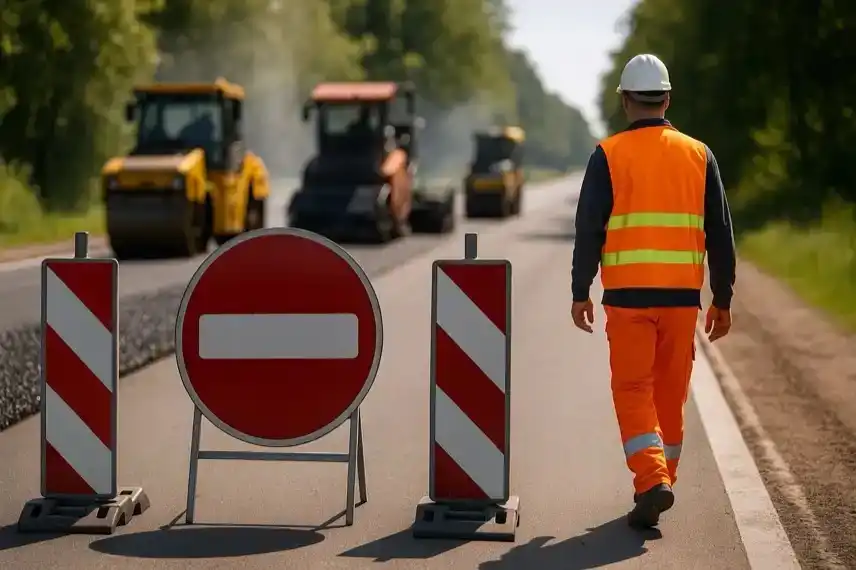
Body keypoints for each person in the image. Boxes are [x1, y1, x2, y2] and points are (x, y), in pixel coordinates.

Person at [569, 53, 737, 529]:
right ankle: (659, 482)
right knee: (669, 393)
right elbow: (721, 232)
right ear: (666, 98)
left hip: (627, 300)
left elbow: (588, 229)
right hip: (682, 300)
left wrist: (580, 289)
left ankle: (652, 480)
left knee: (632, 388)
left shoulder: (608, 155)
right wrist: (721, 299)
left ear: (625, 101)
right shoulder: (699, 155)